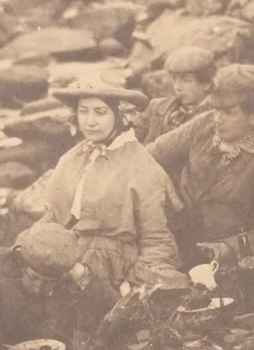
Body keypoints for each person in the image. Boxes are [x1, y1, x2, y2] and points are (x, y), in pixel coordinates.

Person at [41, 75, 189, 291]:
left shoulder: (140, 166)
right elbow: (51, 219)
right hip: (66, 259)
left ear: (120, 115)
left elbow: (157, 239)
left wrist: (135, 282)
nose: (89, 121)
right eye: (83, 111)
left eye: (100, 112)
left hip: (115, 272)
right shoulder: (73, 158)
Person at [149, 63, 254, 266]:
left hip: (218, 259)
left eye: (228, 112)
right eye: (215, 109)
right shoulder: (204, 124)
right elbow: (152, 153)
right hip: (173, 235)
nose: (217, 119)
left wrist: (227, 248)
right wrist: (162, 179)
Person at [138, 46, 217, 144]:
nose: (177, 87)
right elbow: (131, 136)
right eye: (174, 79)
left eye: (186, 80)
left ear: (207, 84)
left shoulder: (215, 117)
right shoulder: (156, 107)